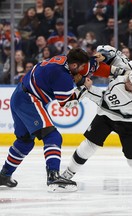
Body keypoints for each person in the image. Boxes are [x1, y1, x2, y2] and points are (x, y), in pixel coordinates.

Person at [0, 48, 92, 192]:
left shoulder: (62, 59)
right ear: (74, 66)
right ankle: (53, 176)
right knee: (52, 136)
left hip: (18, 95)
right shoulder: (63, 76)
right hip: (29, 100)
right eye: (81, 67)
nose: (83, 70)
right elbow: (67, 104)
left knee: (25, 141)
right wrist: (85, 89)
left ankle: (4, 175)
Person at [61, 45, 132, 182]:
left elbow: (102, 99)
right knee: (89, 145)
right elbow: (114, 53)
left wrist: (84, 88)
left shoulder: (130, 99)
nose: (128, 83)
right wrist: (104, 54)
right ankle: (68, 173)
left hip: (129, 121)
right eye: (129, 79)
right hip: (106, 117)